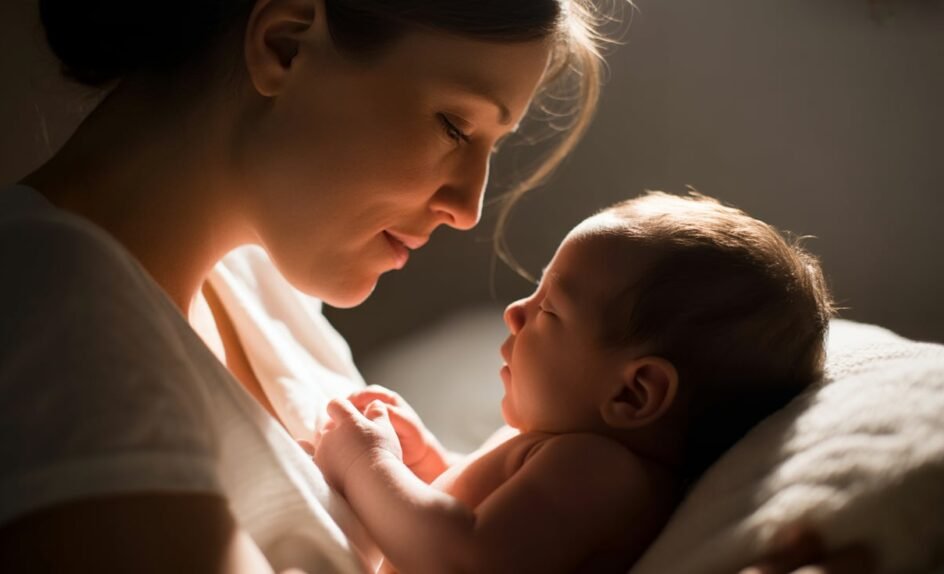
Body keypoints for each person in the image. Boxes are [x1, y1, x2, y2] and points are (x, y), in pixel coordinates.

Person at [0, 0, 872, 570]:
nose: (467, 206)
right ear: (286, 42)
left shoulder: (260, 294)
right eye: (457, 128)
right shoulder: (49, 303)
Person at [310, 192, 835, 573]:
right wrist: (429, 464)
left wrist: (367, 464)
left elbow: (463, 559)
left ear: (634, 393)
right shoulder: (568, 454)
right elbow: (478, 515)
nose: (516, 312)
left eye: (550, 309)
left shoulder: (600, 471)